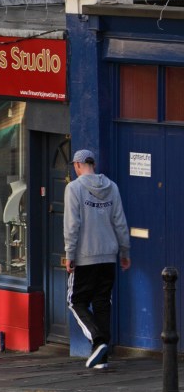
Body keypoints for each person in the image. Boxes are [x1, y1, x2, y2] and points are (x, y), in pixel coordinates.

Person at [63, 149, 131, 370]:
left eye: (75, 165)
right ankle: (101, 357)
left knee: (75, 301)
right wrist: (124, 252)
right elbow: (120, 222)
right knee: (102, 302)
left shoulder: (73, 188)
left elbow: (72, 225)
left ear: (78, 165)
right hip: (108, 256)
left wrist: (69, 254)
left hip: (85, 256)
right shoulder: (112, 187)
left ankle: (97, 340)